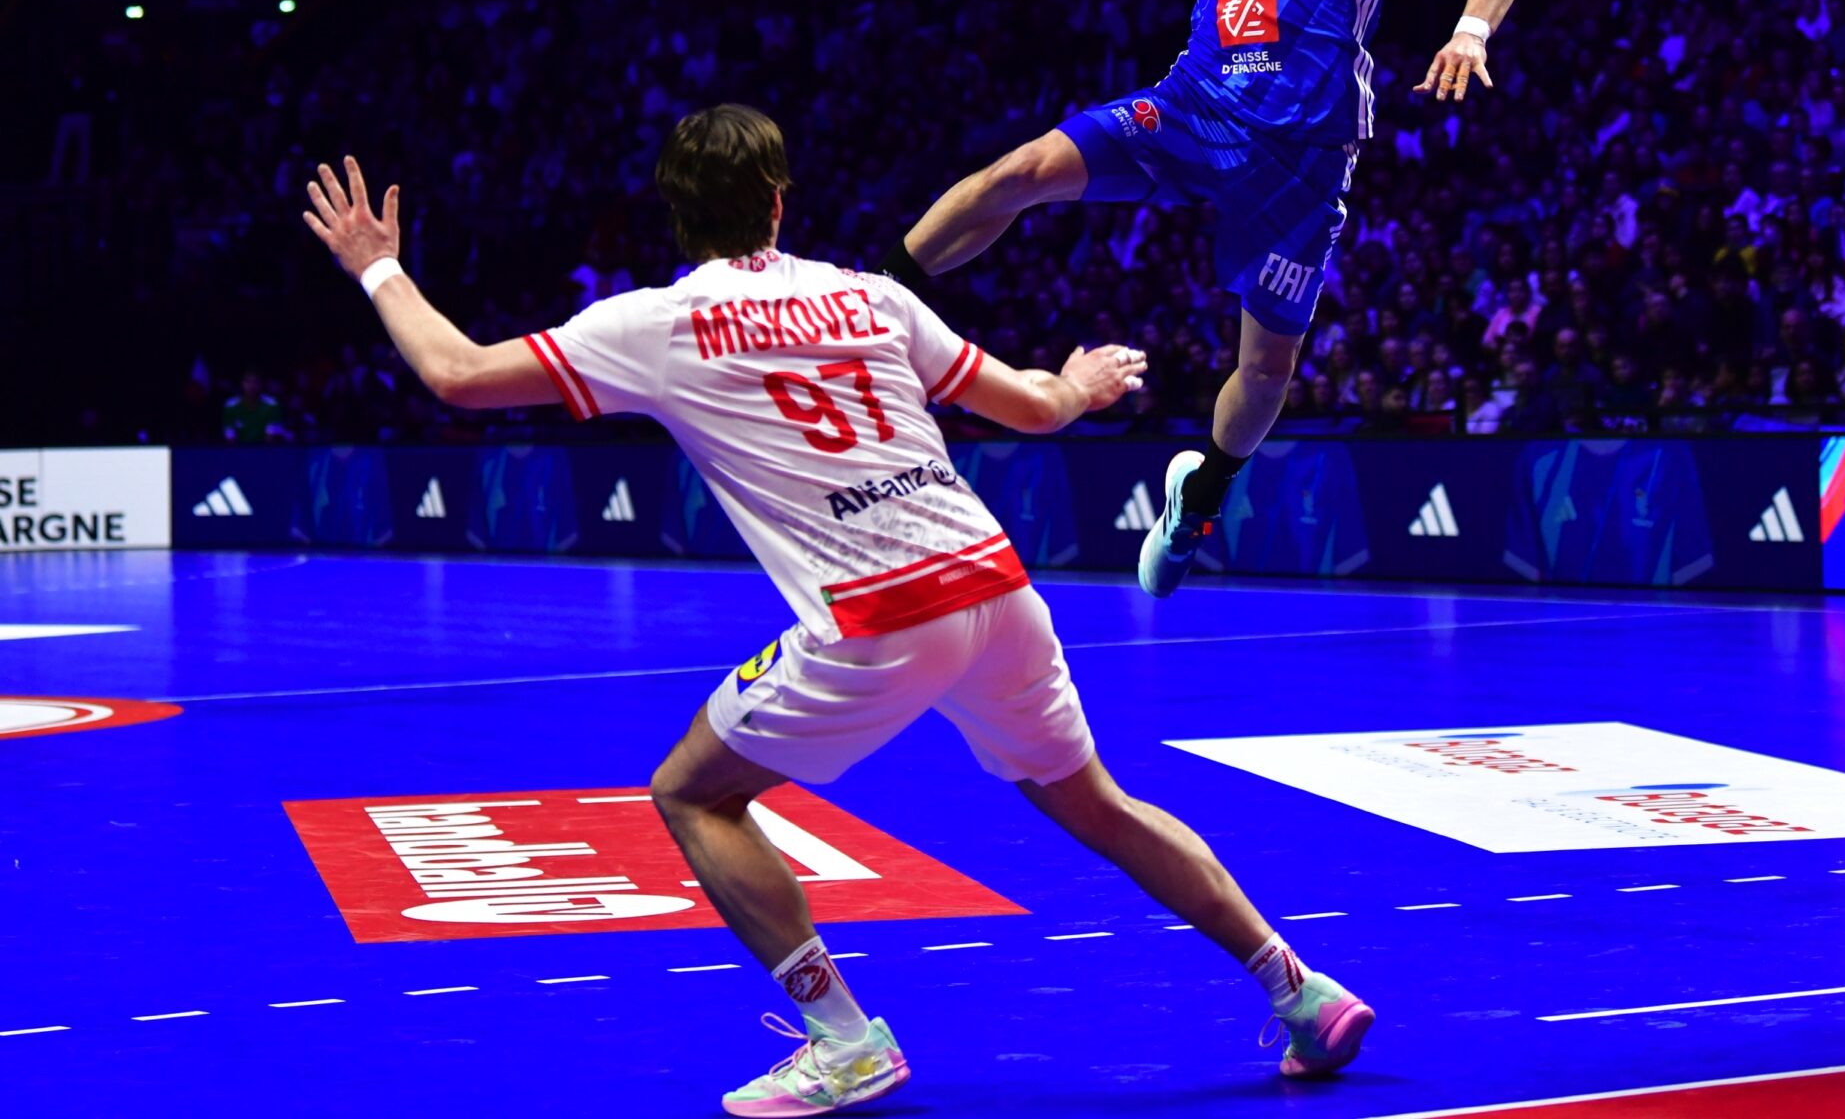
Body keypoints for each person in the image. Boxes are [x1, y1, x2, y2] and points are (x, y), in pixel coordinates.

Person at [297, 107, 1373, 1115]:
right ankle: (1303, 991)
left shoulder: (651, 324)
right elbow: (1035, 408)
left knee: (693, 794)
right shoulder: (874, 296)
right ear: (778, 199)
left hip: (877, 619)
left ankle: (845, 1037)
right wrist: (1080, 382)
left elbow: (454, 373)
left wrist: (375, 265)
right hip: (998, 591)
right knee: (1095, 802)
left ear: (677, 213)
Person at [885, 0, 1524, 598]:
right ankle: (873, 303)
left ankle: (1202, 496)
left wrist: (1470, 29)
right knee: (1021, 172)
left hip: (1300, 160)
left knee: (1265, 371)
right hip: (1191, 110)